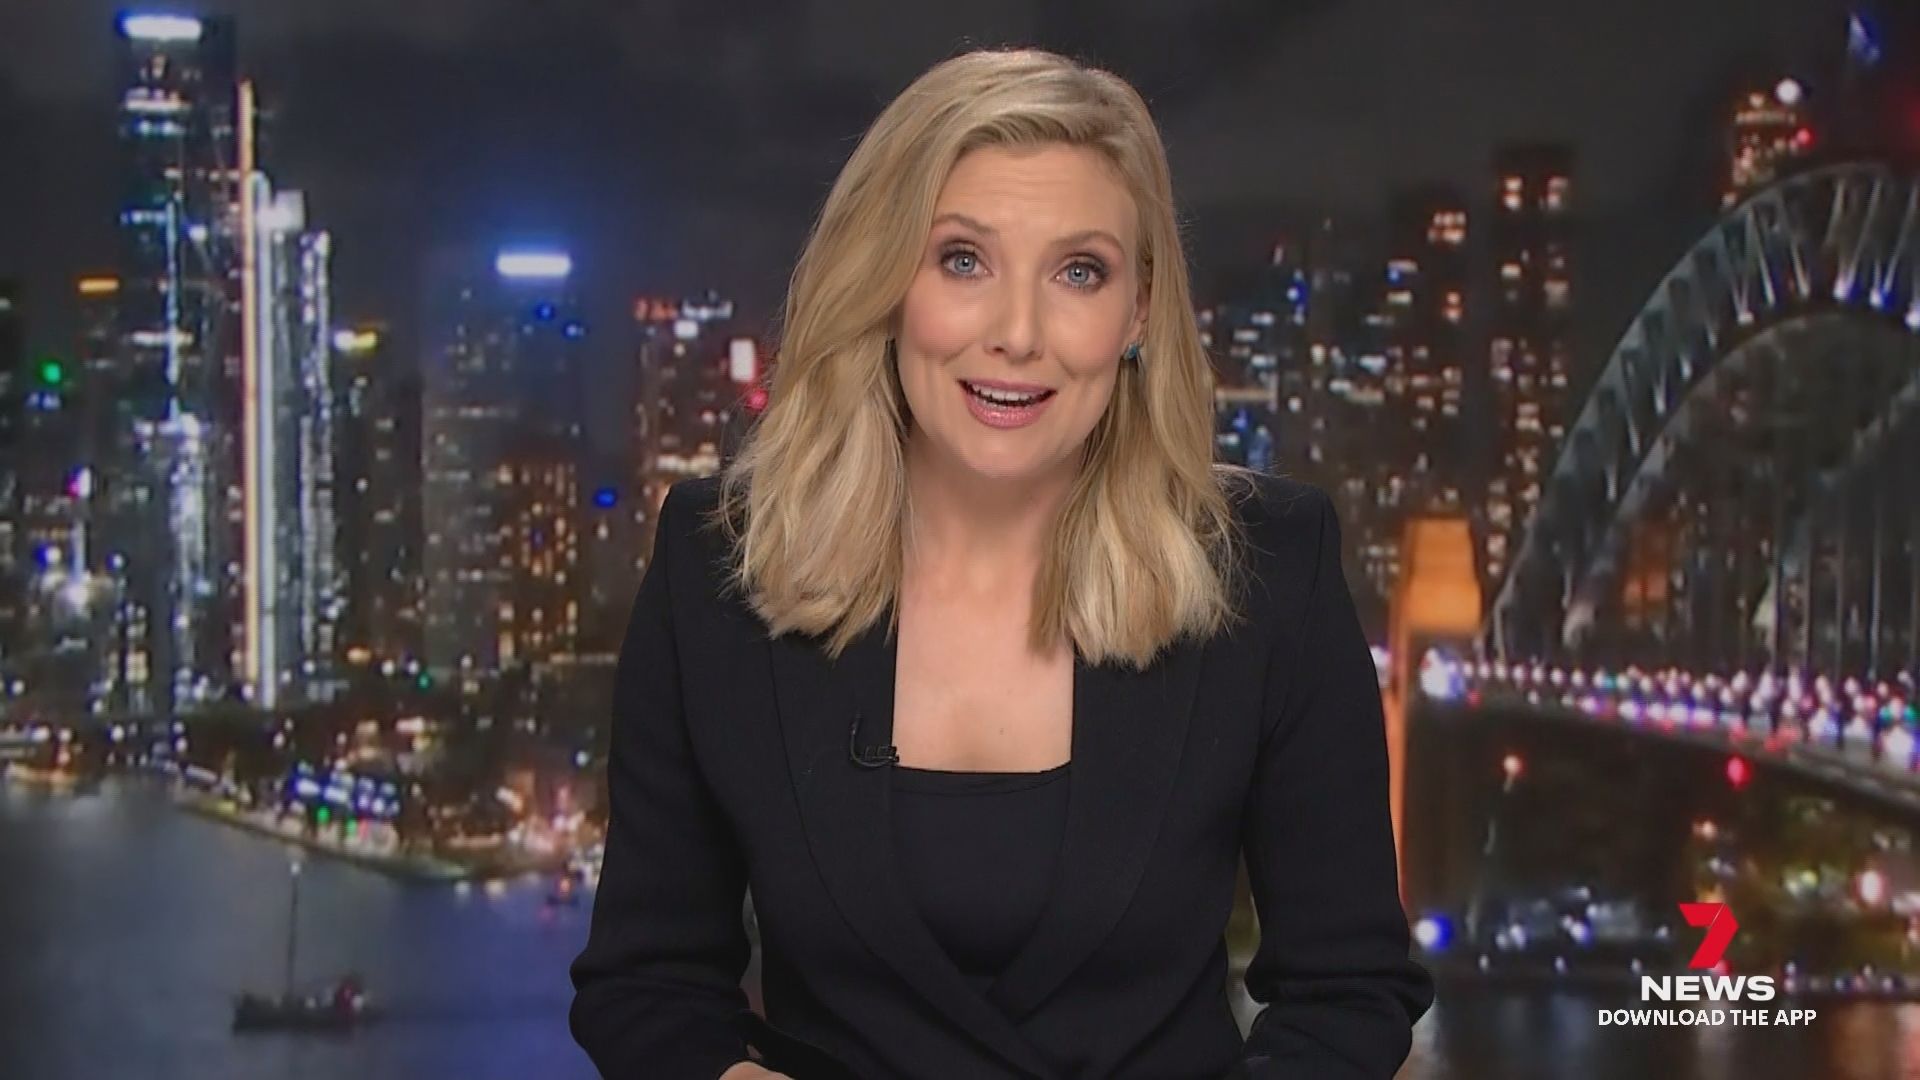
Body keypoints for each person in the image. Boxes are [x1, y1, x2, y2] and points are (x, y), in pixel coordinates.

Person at [569, 45, 1434, 1079]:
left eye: (1079, 272)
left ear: (1139, 311)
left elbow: (1348, 992)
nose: (1018, 334)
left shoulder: (1270, 569)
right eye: (963, 261)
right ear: (887, 281)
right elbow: (647, 986)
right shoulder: (718, 561)